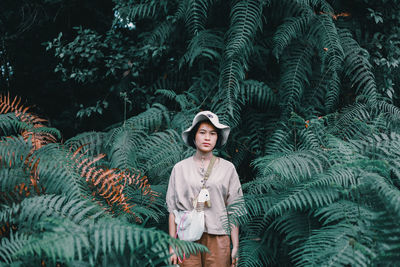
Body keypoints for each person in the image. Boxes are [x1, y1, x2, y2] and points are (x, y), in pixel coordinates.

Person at [166, 111, 244, 267]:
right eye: (202, 132)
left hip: (219, 236)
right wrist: (172, 246)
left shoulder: (228, 168)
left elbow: (234, 210)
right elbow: (173, 212)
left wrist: (235, 246)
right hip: (187, 238)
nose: (207, 137)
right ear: (194, 136)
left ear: (218, 138)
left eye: (213, 133)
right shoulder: (179, 169)